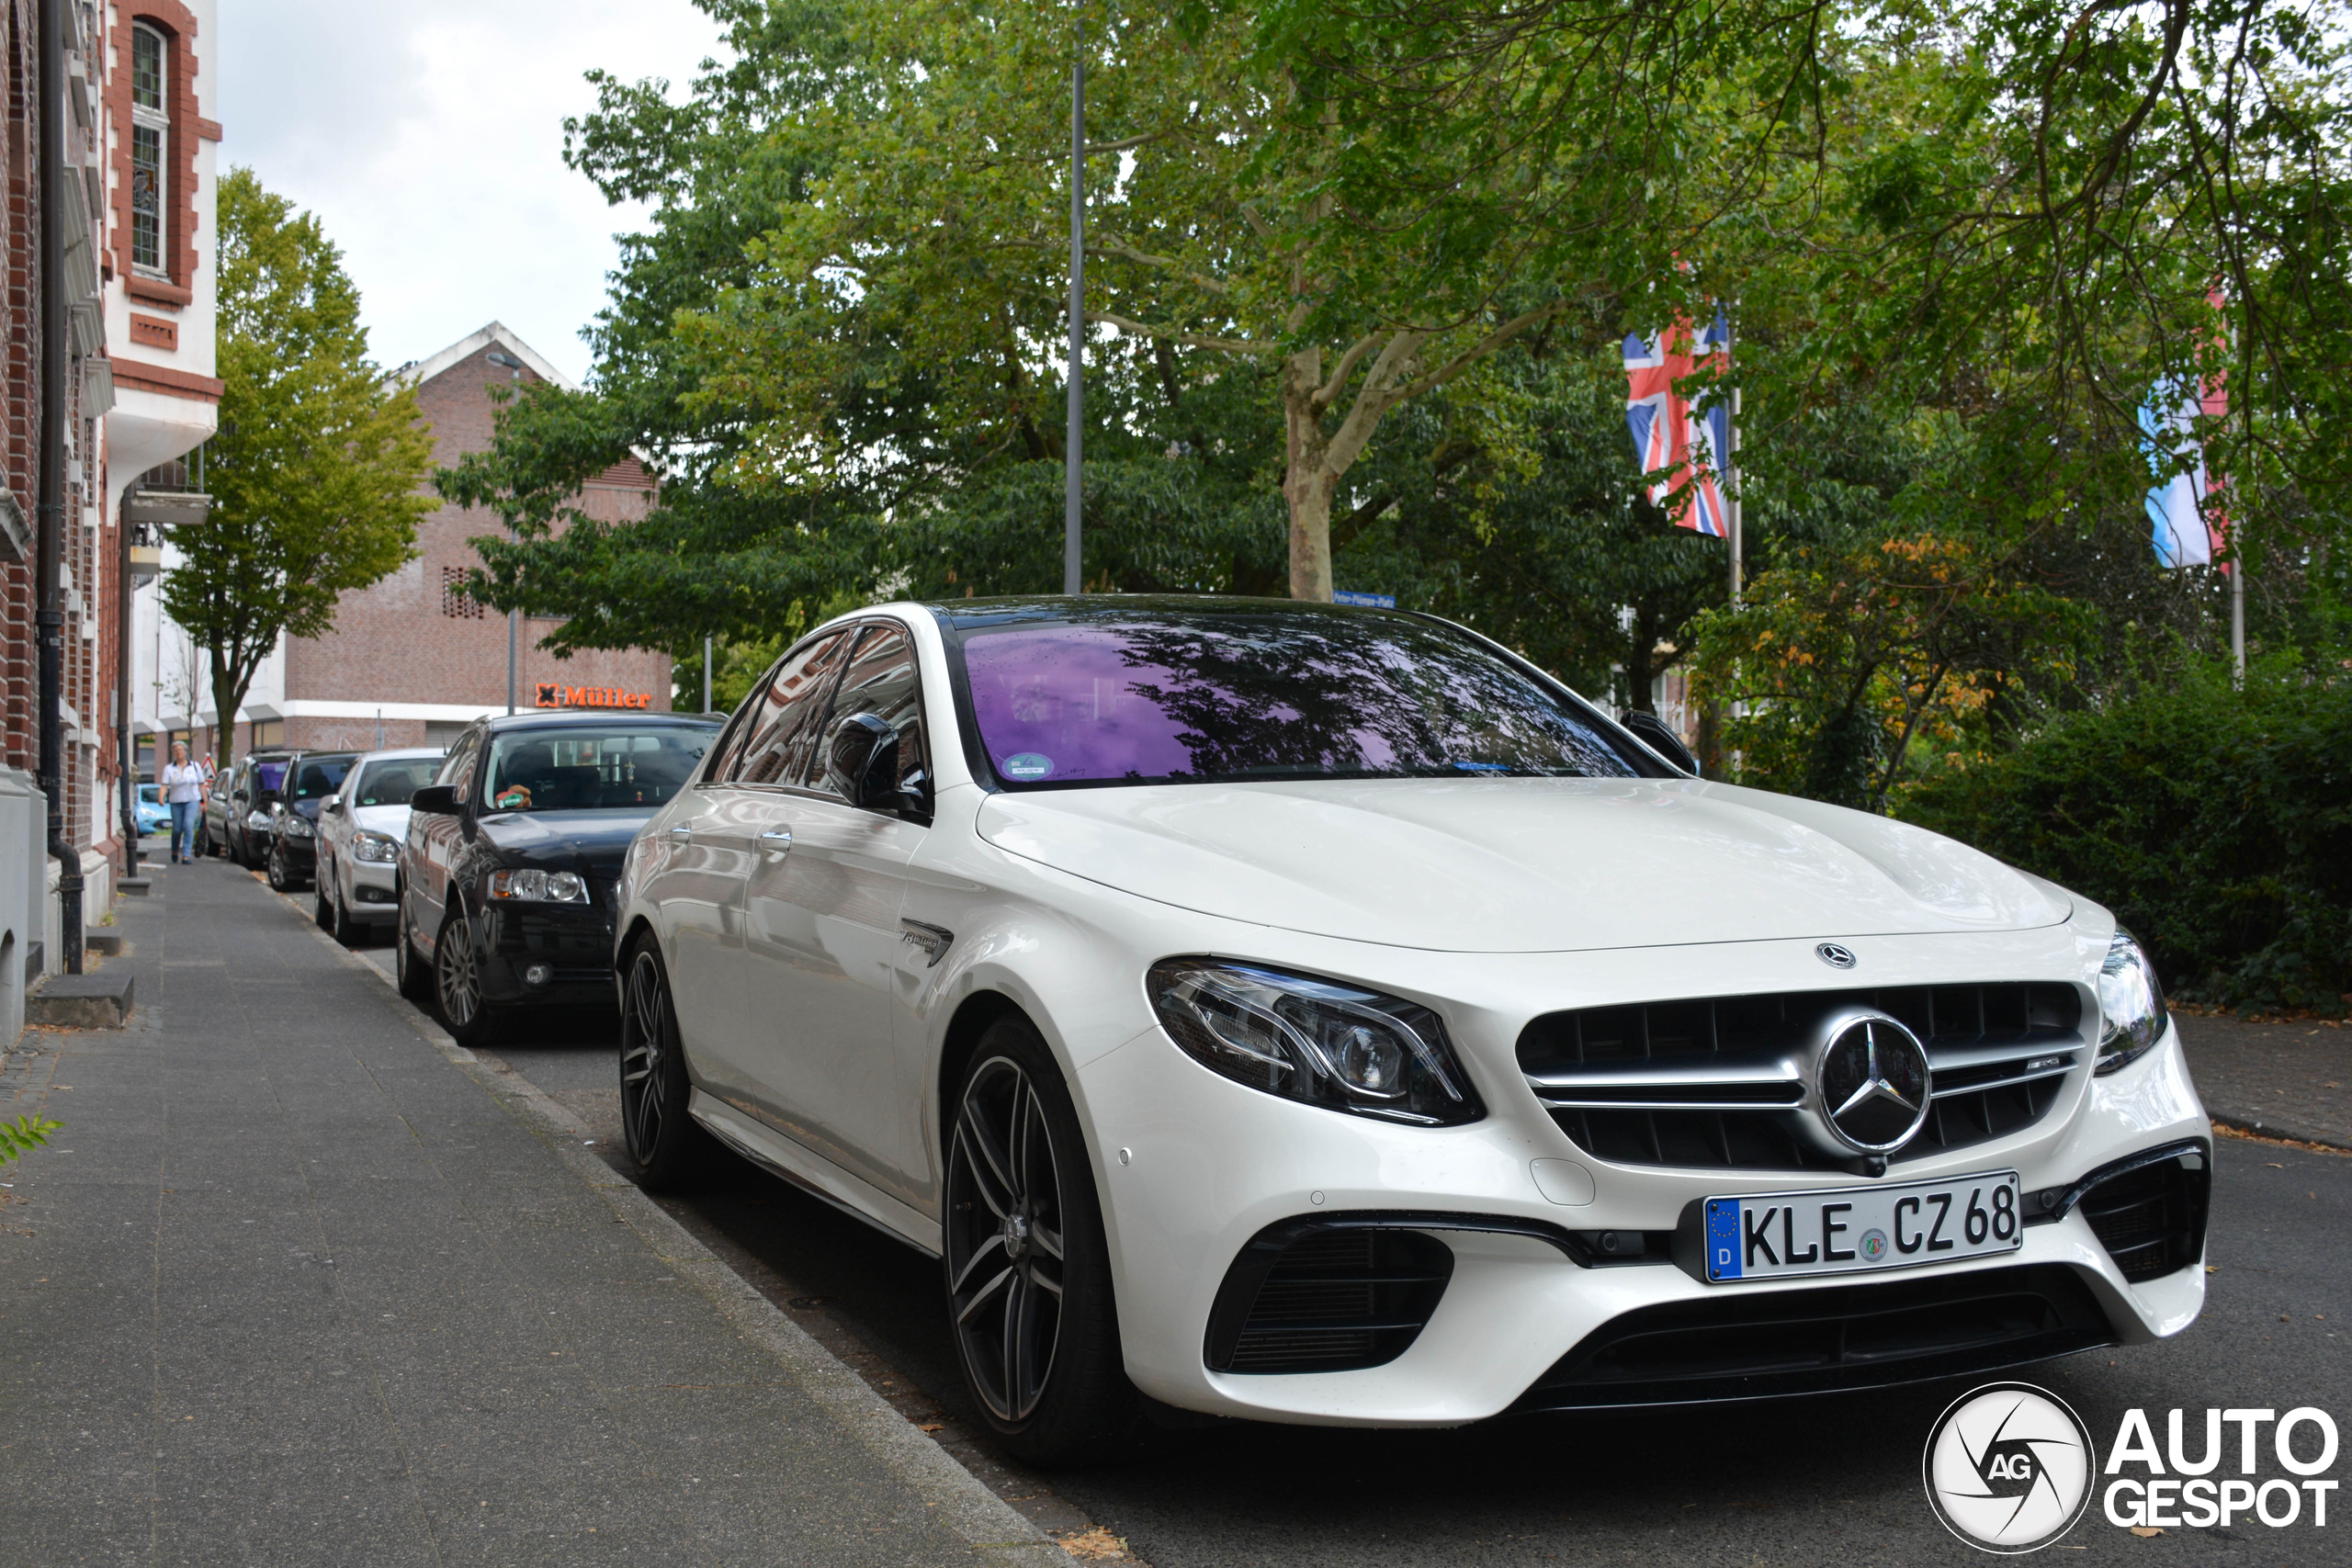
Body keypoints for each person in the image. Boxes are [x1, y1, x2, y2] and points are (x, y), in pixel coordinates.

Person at [161, 741, 206, 863]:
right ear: (173, 753)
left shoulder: (195, 767)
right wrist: (161, 797)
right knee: (176, 829)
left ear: (185, 752)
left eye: (181, 750)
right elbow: (164, 786)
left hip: (192, 800)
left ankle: (186, 855)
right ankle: (175, 850)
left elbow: (202, 785)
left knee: (188, 825)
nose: (179, 752)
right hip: (176, 801)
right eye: (176, 750)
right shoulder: (169, 769)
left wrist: (205, 801)